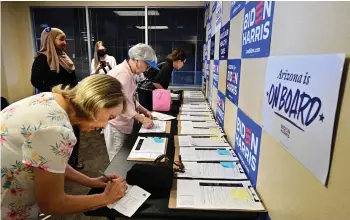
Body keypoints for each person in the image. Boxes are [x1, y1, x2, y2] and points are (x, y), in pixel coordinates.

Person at [1, 74, 128, 218]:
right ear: (97, 102)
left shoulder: (50, 98)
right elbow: (52, 204)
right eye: (109, 117)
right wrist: (107, 198)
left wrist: (90, 182)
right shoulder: (57, 130)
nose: (104, 126)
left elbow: (48, 161)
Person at [31, 27, 83, 170]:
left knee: (74, 133)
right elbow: (35, 81)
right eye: (61, 39)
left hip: (70, 102)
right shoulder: (42, 59)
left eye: (65, 39)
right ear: (49, 40)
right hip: (53, 105)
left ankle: (73, 162)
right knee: (58, 136)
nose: (64, 42)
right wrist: (56, 93)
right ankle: (60, 167)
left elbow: (73, 79)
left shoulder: (64, 57)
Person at [105, 43, 158, 161]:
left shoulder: (130, 73)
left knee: (124, 156)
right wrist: (143, 119)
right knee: (117, 161)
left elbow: (130, 99)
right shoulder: (123, 74)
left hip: (123, 123)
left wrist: (144, 111)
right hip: (115, 124)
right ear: (138, 60)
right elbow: (121, 105)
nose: (147, 69)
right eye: (147, 65)